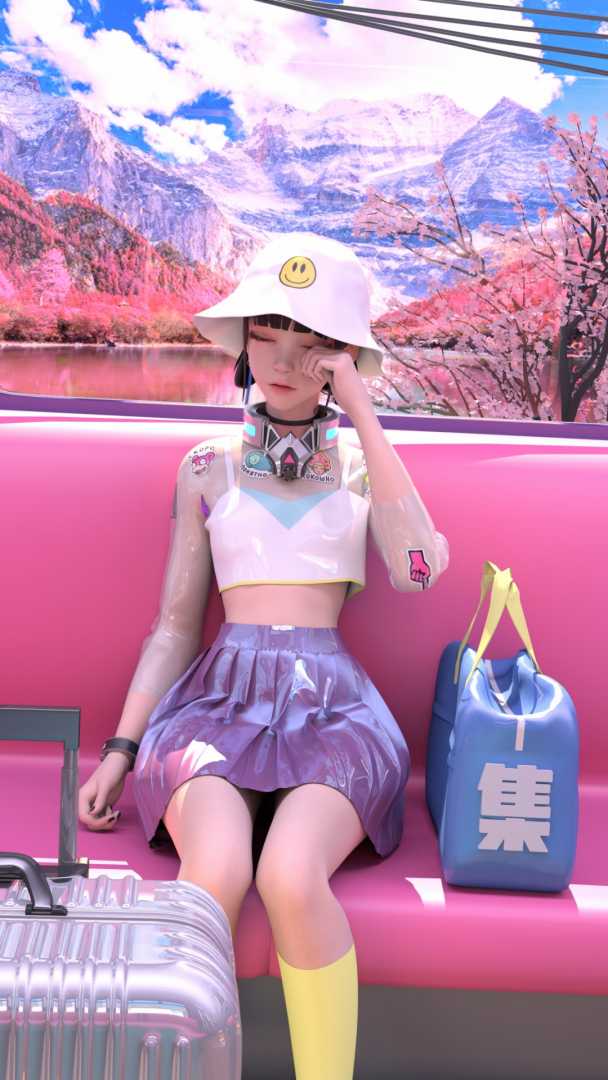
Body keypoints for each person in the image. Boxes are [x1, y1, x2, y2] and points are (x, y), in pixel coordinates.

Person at [78, 231, 450, 1079]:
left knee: (289, 874)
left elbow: (419, 570)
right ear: (244, 341)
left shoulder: (362, 465)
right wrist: (122, 748)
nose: (283, 358)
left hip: (335, 712)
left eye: (311, 340)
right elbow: (175, 627)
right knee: (214, 869)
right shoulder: (205, 467)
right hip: (216, 705)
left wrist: (362, 411)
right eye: (267, 332)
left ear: (342, 354)